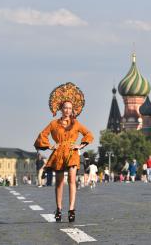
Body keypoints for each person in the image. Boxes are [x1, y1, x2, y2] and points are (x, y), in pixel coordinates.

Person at [34, 83, 93, 222]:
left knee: (72, 180)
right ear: (61, 109)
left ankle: (71, 209)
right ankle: (59, 208)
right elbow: (42, 135)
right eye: (65, 108)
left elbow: (88, 134)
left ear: (73, 110)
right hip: (59, 153)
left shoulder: (76, 123)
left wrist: (80, 145)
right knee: (59, 183)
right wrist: (49, 146)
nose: (67, 110)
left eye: (70, 108)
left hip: (72, 152)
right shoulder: (54, 124)